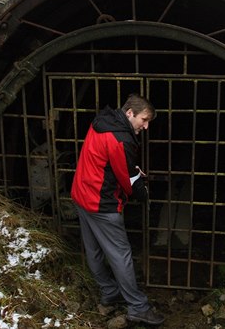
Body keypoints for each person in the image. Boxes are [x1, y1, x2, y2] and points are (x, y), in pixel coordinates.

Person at [71, 94, 165, 325]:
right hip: (101, 204)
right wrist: (142, 193)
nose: (146, 126)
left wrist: (130, 169)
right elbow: (128, 180)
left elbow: (108, 161)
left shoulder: (103, 122)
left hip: (81, 194)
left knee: (93, 250)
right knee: (121, 254)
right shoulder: (120, 138)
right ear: (130, 113)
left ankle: (109, 292)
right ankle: (138, 307)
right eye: (144, 119)